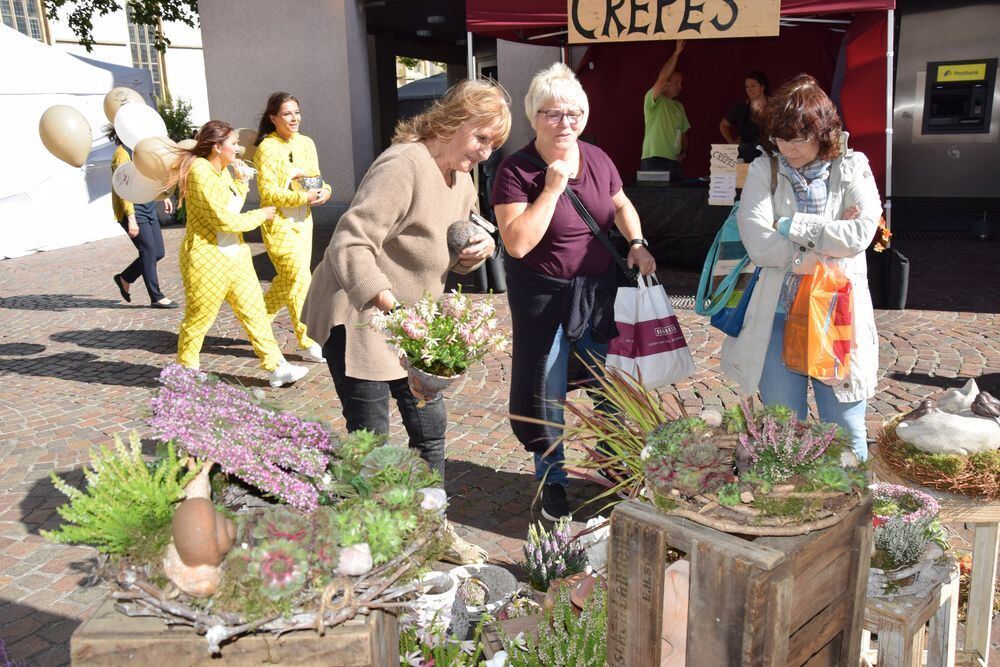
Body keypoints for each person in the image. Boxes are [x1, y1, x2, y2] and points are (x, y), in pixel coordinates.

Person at [301, 80, 511, 563]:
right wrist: (390, 307)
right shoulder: (403, 164)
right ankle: (373, 542)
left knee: (429, 428)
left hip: (410, 322)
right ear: (454, 121)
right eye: (482, 139)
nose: (484, 153)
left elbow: (452, 250)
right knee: (372, 439)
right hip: (360, 313)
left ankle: (431, 528)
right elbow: (350, 241)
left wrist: (476, 252)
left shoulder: (460, 177)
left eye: (493, 146)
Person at [493, 63, 657, 522]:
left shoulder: (599, 158)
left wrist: (637, 242)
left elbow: (620, 203)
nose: (565, 123)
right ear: (533, 115)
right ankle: (552, 481)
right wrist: (552, 188)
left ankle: (614, 470)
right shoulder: (516, 170)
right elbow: (518, 242)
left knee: (612, 390)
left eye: (574, 113)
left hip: (598, 296)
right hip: (545, 302)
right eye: (553, 114)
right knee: (546, 395)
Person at [720, 74, 882, 460]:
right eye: (780, 138)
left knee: (844, 427)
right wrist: (824, 247)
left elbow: (860, 234)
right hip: (777, 313)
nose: (788, 149)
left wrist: (791, 227)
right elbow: (759, 245)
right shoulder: (766, 170)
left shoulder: (852, 166)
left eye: (798, 139)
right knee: (782, 427)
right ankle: (788, 508)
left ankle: (853, 510)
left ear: (823, 133)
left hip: (836, 314)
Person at [167, 120, 309, 388]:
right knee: (199, 318)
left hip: (236, 257)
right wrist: (261, 215)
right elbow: (224, 220)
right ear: (217, 146)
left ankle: (276, 366)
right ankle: (186, 371)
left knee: (255, 313)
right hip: (206, 260)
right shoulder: (199, 171)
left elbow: (232, 205)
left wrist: (242, 183)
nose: (238, 148)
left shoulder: (221, 170)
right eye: (233, 144)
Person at [253, 92, 331, 364]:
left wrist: (325, 192)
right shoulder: (266, 149)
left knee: (288, 281)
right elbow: (268, 193)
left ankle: (257, 322)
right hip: (279, 225)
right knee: (300, 279)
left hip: (304, 223)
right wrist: (302, 195)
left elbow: (317, 179)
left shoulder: (307, 143)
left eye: (296, 112)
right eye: (287, 113)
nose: (294, 118)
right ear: (273, 118)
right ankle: (308, 342)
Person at [108, 125, 178, 309]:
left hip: (148, 205)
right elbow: (123, 189)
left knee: (158, 253)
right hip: (133, 209)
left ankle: (125, 278)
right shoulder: (122, 154)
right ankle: (156, 296)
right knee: (147, 251)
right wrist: (130, 218)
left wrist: (163, 196)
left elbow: (153, 175)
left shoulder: (143, 150)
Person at [640, 40, 690, 180]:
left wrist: (684, 152)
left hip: (674, 161)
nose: (680, 86)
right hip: (654, 160)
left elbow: (684, 132)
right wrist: (676, 53)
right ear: (666, 84)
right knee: (654, 200)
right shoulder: (653, 99)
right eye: (677, 83)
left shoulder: (679, 106)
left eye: (681, 83)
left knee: (680, 198)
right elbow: (662, 78)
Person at [719, 70, 770, 163]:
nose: (749, 89)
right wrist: (732, 143)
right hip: (747, 154)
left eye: (753, 86)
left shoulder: (774, 106)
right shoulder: (740, 107)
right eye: (747, 86)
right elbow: (723, 125)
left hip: (769, 153)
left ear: (762, 87)